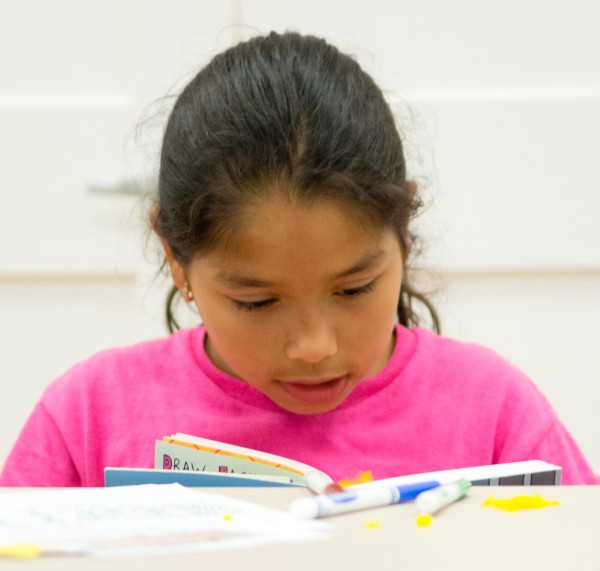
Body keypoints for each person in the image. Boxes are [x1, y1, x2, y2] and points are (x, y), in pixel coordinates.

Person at [0, 32, 597, 487]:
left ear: (403, 236)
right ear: (176, 260)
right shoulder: (89, 416)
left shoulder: (494, 412)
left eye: (355, 289)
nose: (314, 347)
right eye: (256, 301)